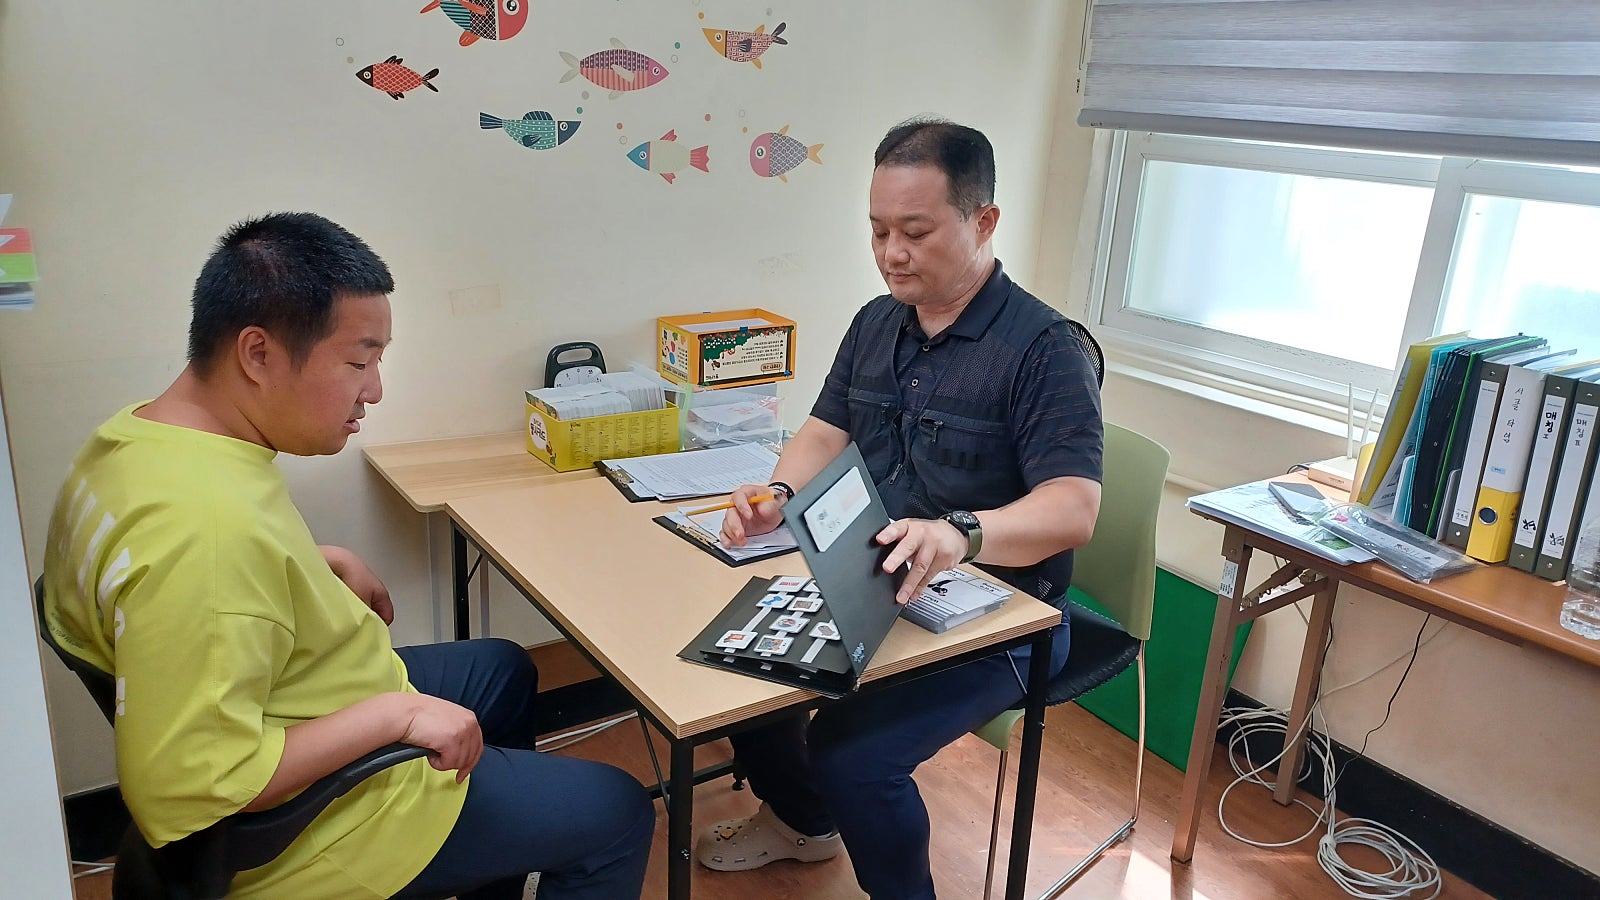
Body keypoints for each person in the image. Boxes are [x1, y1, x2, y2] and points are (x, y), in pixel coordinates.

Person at [40, 213, 654, 900]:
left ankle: (483, 860)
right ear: (258, 354)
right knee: (618, 811)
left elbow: (182, 579)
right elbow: (192, 789)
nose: (375, 389)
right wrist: (397, 717)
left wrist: (311, 561)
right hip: (317, 822)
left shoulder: (140, 439)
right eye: (359, 362)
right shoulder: (207, 536)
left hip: (295, 688)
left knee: (503, 669)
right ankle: (434, 839)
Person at [696, 119, 1104, 899]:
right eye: (879, 231)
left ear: (983, 221)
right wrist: (778, 496)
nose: (892, 254)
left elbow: (1072, 508)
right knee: (742, 673)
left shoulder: (1046, 350)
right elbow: (825, 430)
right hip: (878, 583)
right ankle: (805, 822)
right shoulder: (876, 322)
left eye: (915, 232)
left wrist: (960, 535)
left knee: (854, 755)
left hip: (1005, 621)